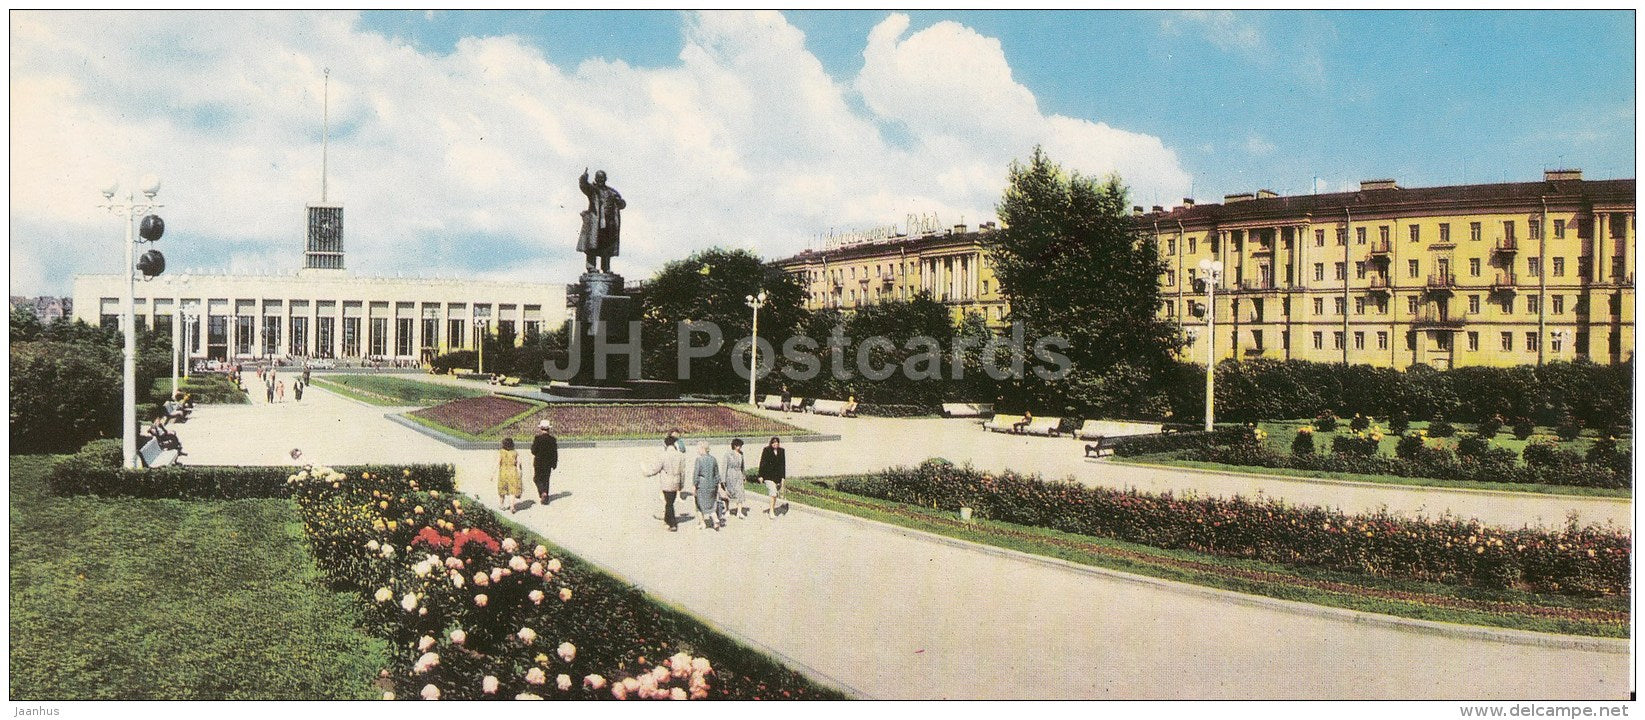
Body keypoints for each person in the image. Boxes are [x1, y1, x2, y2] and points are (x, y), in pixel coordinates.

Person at [577, 168, 626, 273]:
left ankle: (606, 267)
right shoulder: (593, 190)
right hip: (595, 222)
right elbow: (584, 186)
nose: (600, 179)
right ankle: (591, 266)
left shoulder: (611, 192)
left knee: (606, 245)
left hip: (609, 223)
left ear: (605, 179)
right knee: (592, 244)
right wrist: (583, 178)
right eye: (598, 178)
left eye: (602, 178)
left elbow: (622, 205)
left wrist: (620, 202)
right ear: (595, 178)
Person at [643, 437, 686, 532]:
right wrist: (681, 485)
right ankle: (667, 520)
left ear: (665, 445)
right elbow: (682, 472)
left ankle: (672, 523)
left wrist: (647, 473)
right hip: (676, 482)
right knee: (670, 502)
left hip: (666, 482)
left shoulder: (663, 455)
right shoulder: (680, 456)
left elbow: (656, 469)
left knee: (669, 503)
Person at [691, 442, 720, 530]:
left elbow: (696, 474)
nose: (697, 451)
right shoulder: (713, 459)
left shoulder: (699, 460)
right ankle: (715, 520)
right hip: (712, 485)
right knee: (711, 504)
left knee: (699, 505)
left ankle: (702, 523)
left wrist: (694, 485)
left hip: (702, 485)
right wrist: (717, 484)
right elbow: (717, 474)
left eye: (698, 449)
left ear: (702, 449)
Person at [531, 419, 559, 505]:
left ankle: (542, 493)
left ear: (541, 428)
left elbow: (533, 451)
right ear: (548, 429)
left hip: (539, 462)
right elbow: (555, 453)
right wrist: (554, 463)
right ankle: (546, 494)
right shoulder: (552, 439)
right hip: (548, 462)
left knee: (537, 478)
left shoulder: (538, 439)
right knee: (546, 479)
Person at [758, 436, 787, 519]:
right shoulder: (766, 450)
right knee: (773, 493)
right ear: (771, 443)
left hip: (777, 477)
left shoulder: (781, 451)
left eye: (777, 442)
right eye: (773, 442)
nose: (775, 444)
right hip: (768, 476)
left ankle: (772, 508)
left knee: (774, 495)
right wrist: (760, 476)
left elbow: (783, 465)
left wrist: (783, 478)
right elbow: (762, 462)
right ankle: (771, 511)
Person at [722, 438, 748, 520]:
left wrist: (744, 476)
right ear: (734, 445)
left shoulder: (741, 454)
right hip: (730, 475)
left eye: (740, 446)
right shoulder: (728, 454)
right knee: (728, 493)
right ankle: (727, 510)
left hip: (738, 475)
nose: (739, 447)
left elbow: (743, 466)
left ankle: (739, 512)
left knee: (740, 492)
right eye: (738, 445)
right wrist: (723, 479)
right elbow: (724, 467)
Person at [495, 437, 523, 514]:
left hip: (503, 472)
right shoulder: (515, 453)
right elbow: (519, 463)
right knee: (512, 490)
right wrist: (520, 472)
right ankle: (512, 506)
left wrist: (493, 473)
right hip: (513, 472)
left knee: (502, 489)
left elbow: (498, 462)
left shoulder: (501, 452)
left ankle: (501, 505)